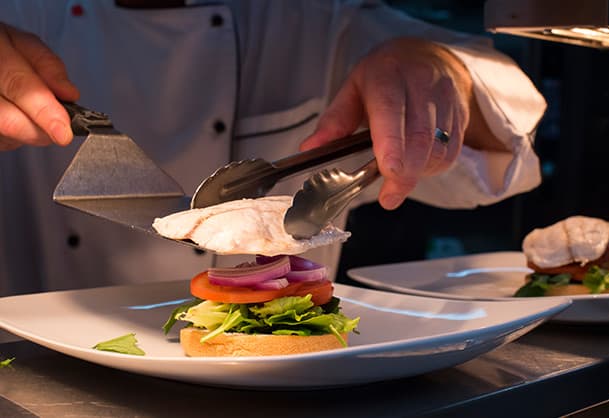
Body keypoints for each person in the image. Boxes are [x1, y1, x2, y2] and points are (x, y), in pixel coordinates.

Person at [0, 0, 546, 295]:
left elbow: (506, 130)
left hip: (281, 393)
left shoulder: (318, 21)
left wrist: (443, 72)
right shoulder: (20, 17)